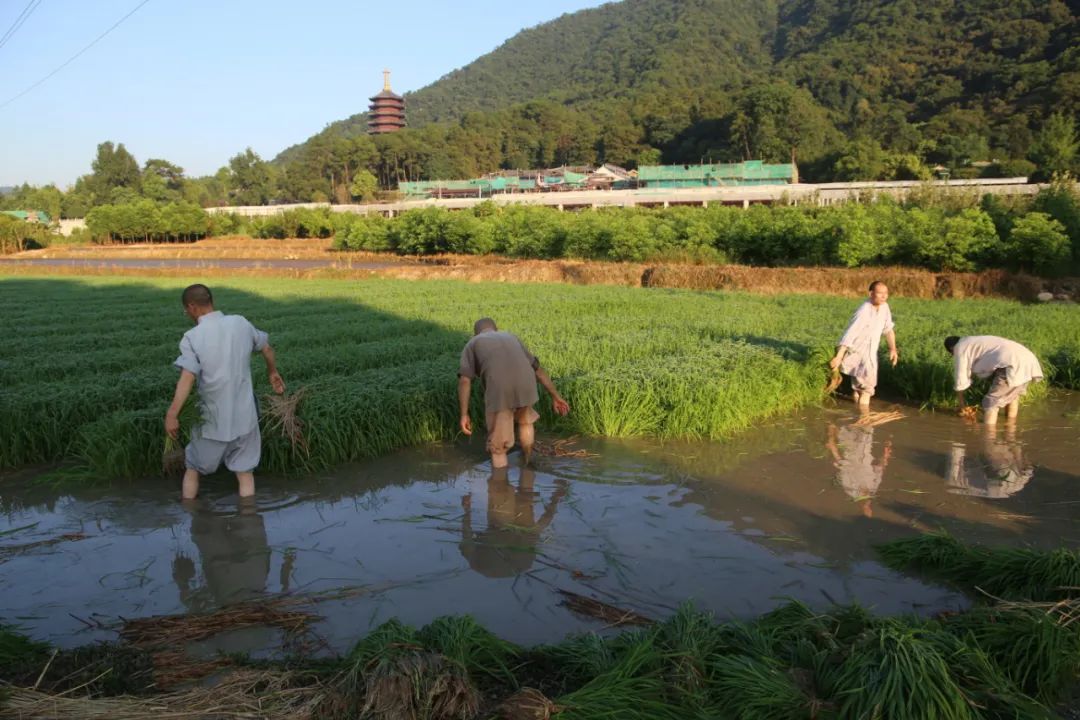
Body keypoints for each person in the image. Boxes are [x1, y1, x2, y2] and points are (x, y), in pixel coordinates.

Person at [165, 284, 285, 500]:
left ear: (192, 307)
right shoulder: (240, 323)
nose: (187, 314)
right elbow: (266, 348)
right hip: (245, 419)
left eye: (186, 310)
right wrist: (272, 372)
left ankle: (192, 515)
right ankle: (249, 523)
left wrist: (172, 413)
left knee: (193, 468)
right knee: (245, 473)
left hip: (212, 422)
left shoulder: (192, 337)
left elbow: (188, 377)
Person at [458, 317, 569, 468]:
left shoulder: (473, 343)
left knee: (498, 448)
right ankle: (528, 463)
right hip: (526, 383)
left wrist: (464, 414)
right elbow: (538, 370)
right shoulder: (511, 336)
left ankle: (500, 485)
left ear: (476, 333)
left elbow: (465, 380)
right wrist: (556, 397)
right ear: (496, 329)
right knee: (525, 421)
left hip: (501, 389)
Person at [459, 466, 567, 577]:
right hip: (509, 532)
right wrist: (555, 499)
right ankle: (522, 460)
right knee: (518, 490)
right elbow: (541, 525)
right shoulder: (524, 552)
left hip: (503, 532)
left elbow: (466, 535)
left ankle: (516, 461)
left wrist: (467, 511)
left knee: (516, 490)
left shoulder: (476, 560)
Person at [829, 281, 899, 407]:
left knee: (858, 389)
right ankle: (864, 421)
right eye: (880, 293)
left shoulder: (884, 307)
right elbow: (849, 333)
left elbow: (888, 329)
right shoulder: (864, 311)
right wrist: (839, 356)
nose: (884, 296)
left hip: (870, 352)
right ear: (871, 294)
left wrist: (893, 349)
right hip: (858, 352)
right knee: (867, 389)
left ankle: (854, 417)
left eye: (886, 293)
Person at [945, 335, 1043, 424]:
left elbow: (960, 377)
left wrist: (962, 406)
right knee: (1012, 396)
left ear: (951, 349)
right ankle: (1010, 430)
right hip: (1027, 359)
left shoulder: (960, 347)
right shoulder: (972, 341)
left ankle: (989, 438)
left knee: (990, 402)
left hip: (1011, 363)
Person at [826, 421, 891, 518]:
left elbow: (843, 466)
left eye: (866, 507)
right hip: (865, 447)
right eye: (869, 506)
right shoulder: (873, 488)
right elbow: (880, 468)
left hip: (851, 449)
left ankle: (830, 423)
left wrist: (833, 448)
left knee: (840, 425)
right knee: (867, 425)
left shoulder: (850, 489)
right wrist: (885, 455)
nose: (868, 504)